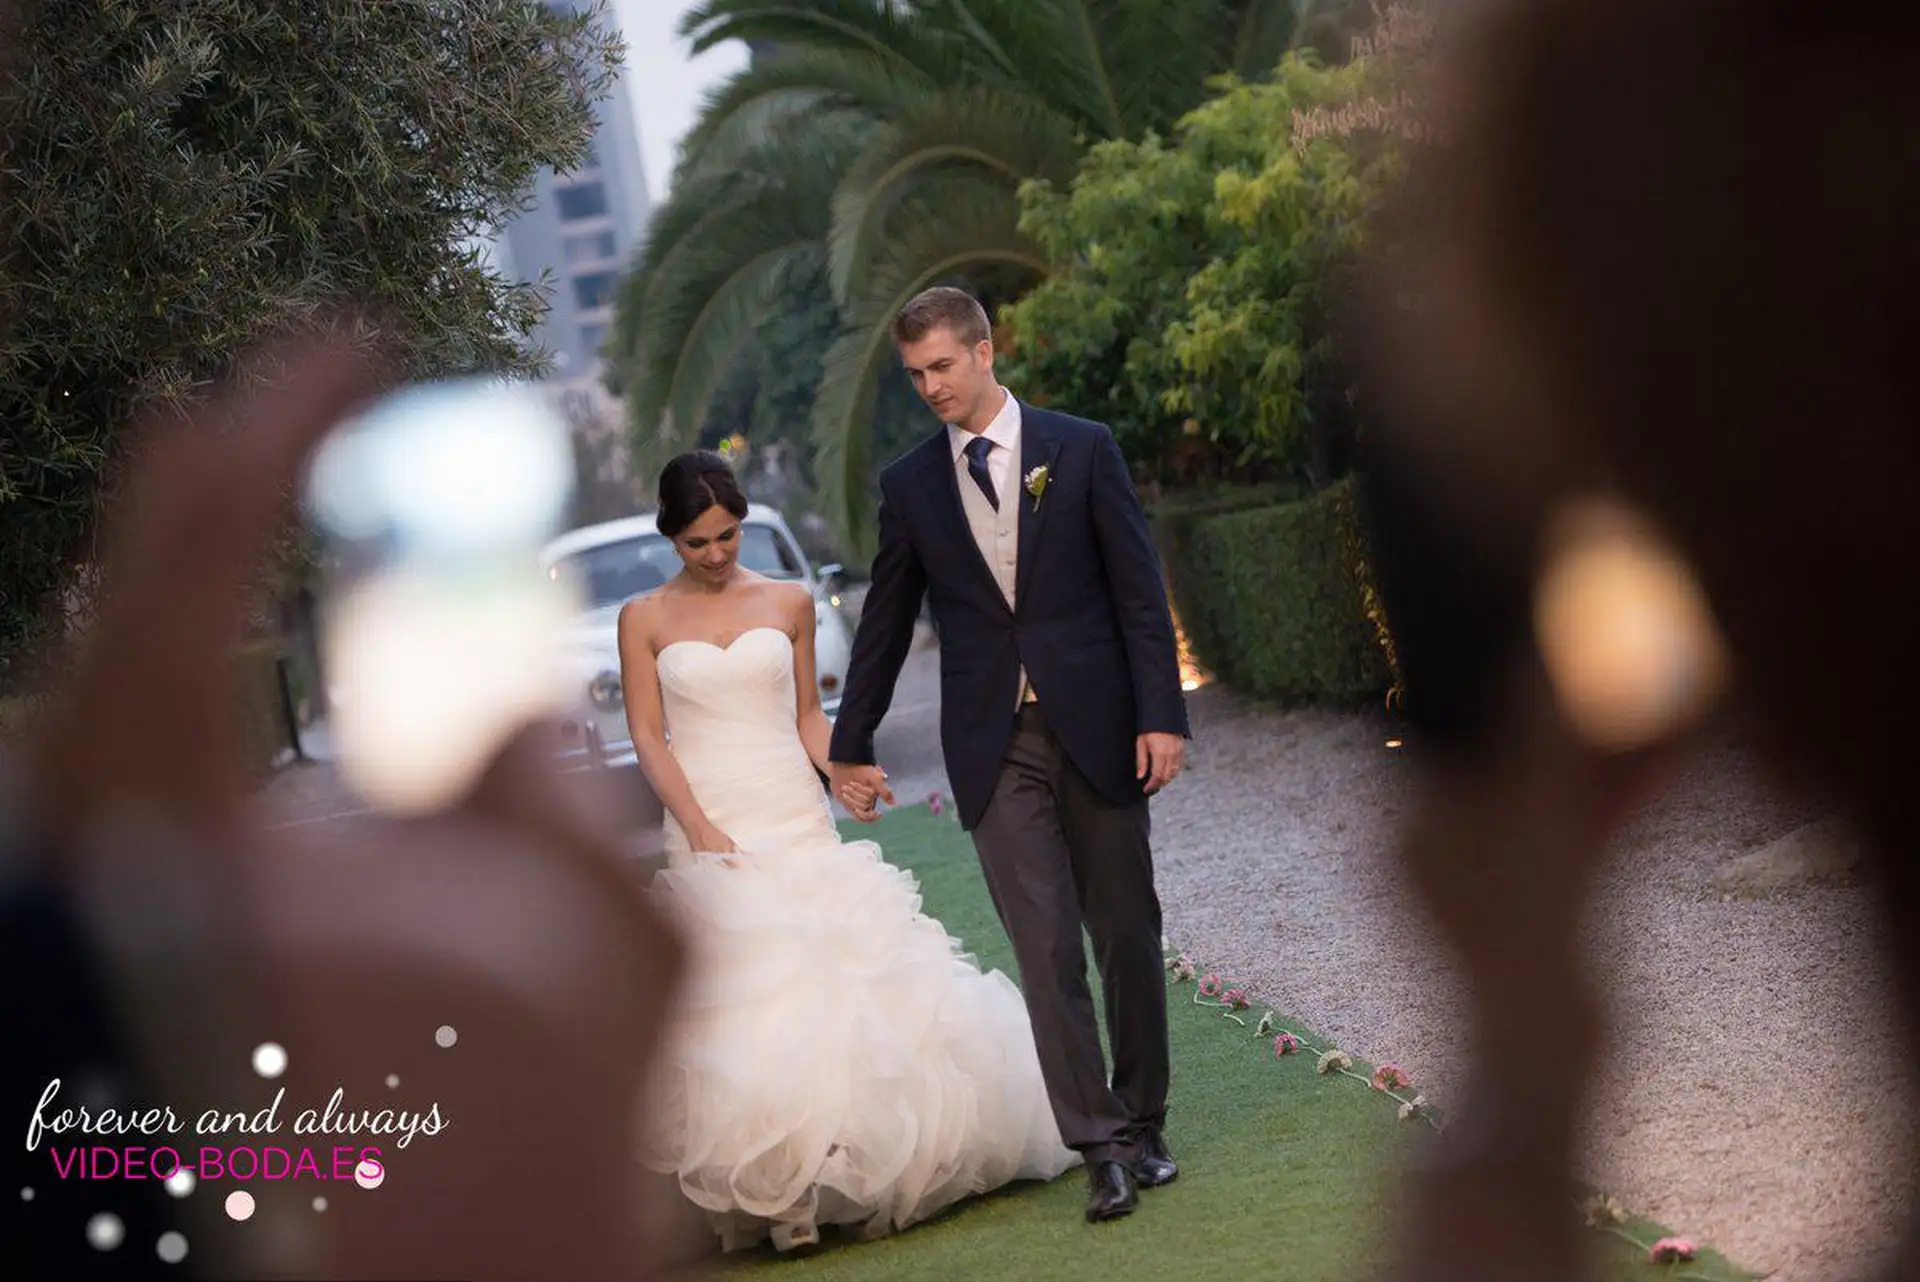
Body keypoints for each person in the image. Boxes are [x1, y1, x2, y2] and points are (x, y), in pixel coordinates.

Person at [617, 450, 1079, 1255]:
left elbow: (806, 717)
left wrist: (846, 768)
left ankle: (848, 1167)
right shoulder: (645, 618)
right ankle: (773, 1199)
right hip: (708, 811)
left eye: (727, 535)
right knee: (734, 994)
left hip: (788, 806)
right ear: (672, 539)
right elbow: (647, 738)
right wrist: (695, 824)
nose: (718, 555)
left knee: (835, 973)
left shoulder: (790, 602)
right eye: (698, 544)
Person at [826, 286, 1191, 1225]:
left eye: (942, 366)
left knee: (1125, 931)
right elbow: (888, 622)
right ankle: (1100, 1144)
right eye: (914, 375)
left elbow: (1140, 597)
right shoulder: (911, 485)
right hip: (994, 748)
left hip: (1101, 728)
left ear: (985, 352)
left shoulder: (1082, 447)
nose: (929, 387)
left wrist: (1163, 717)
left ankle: (1144, 1119)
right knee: (1045, 950)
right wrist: (848, 743)